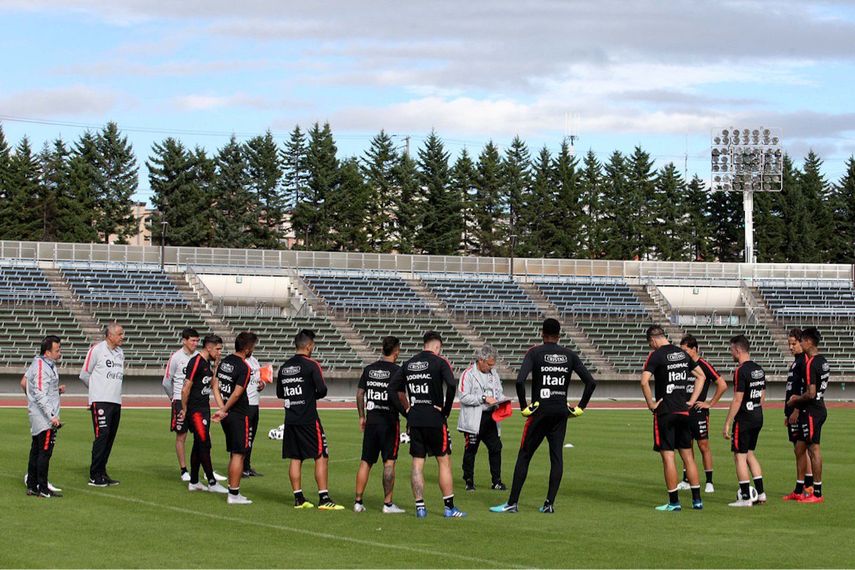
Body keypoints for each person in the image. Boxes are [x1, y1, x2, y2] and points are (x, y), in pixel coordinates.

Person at [491, 318, 596, 514]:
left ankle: (512, 503)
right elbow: (591, 383)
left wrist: (524, 407)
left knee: (525, 456)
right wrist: (580, 408)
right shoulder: (569, 355)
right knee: (556, 457)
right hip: (560, 412)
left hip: (539, 412)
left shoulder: (535, 352)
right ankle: (549, 504)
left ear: (542, 333)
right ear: (559, 335)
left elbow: (520, 381)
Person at [390, 331, 464, 518]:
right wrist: (446, 410)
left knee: (417, 463)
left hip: (415, 419)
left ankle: (420, 507)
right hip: (435, 418)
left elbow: (392, 388)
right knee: (443, 460)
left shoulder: (409, 364)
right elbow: (452, 385)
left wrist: (405, 411)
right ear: (437, 346)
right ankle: (449, 507)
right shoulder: (440, 362)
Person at [640, 325, 706, 512]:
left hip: (665, 412)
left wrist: (651, 404)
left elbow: (644, 381)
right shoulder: (682, 353)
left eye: (650, 344)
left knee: (668, 457)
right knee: (688, 457)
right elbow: (700, 376)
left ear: (653, 340)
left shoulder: (656, 355)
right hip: (684, 411)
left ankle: (674, 502)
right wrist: (692, 400)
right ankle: (697, 500)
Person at [277, 329, 344, 511]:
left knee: (295, 457)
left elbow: (280, 393)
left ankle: (298, 498)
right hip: (308, 418)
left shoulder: (284, 367)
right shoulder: (311, 365)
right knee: (321, 455)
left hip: (291, 418)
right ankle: (324, 498)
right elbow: (322, 390)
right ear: (309, 346)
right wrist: (308, 394)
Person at [353, 336, 405, 514]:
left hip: (372, 421)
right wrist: (408, 414)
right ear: (396, 351)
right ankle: (387, 504)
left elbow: (360, 394)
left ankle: (358, 502)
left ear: (383, 349)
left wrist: (362, 416)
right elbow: (400, 396)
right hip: (389, 422)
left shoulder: (370, 369)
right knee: (389, 462)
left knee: (365, 461)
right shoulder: (397, 371)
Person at [677, 335, 727, 493]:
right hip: (684, 411)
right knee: (686, 445)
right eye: (681, 350)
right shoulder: (683, 365)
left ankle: (709, 481)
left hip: (699, 412)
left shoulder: (703, 365)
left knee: (703, 445)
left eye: (685, 350)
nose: (683, 353)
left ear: (694, 349)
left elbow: (722, 384)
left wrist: (710, 403)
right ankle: (686, 480)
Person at [212, 331, 257, 505]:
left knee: (234, 453)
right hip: (238, 414)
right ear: (247, 348)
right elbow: (237, 394)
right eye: (252, 347)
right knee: (239, 454)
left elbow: (215, 385)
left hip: (228, 414)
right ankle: (234, 494)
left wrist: (221, 408)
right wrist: (224, 408)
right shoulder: (244, 367)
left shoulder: (225, 362)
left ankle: (233, 491)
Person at [723, 335, 767, 507]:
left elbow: (737, 399)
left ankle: (746, 497)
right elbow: (763, 395)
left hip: (745, 418)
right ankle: (761, 493)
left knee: (739, 456)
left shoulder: (740, 371)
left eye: (731, 349)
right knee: (749, 453)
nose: (730, 353)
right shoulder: (759, 369)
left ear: (738, 350)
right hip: (757, 415)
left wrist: (728, 422)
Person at [181, 335, 228, 494]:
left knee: (199, 444)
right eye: (218, 349)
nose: (220, 352)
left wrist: (222, 408)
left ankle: (194, 481)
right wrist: (184, 409)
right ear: (209, 347)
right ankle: (212, 481)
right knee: (204, 443)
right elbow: (186, 387)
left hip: (204, 409)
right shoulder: (196, 362)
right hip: (195, 411)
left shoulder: (208, 363)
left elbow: (214, 385)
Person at [80, 323, 125, 487]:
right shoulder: (97, 350)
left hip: (116, 401)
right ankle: (94, 475)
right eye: (120, 334)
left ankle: (102, 472)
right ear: (110, 335)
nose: (122, 337)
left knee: (110, 438)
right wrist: (94, 394)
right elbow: (84, 375)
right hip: (100, 401)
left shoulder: (120, 352)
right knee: (102, 436)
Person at [787, 327, 828, 504]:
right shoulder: (823, 361)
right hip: (813, 408)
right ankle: (799, 489)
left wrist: (795, 400)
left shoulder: (811, 362)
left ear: (809, 341)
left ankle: (816, 492)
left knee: (814, 450)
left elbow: (811, 393)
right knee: (799, 448)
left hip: (812, 410)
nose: (800, 343)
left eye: (801, 340)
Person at [458, 344, 506, 492]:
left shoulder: (494, 374)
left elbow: (499, 391)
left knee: (496, 448)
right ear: (481, 360)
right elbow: (463, 397)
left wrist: (502, 400)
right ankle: (469, 480)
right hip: (474, 418)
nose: (491, 367)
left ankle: (496, 481)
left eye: (493, 364)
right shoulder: (467, 374)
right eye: (489, 364)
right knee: (471, 449)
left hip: (490, 417)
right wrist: (483, 398)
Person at [25, 336, 65, 498]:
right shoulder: (42, 366)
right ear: (47, 352)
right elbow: (40, 393)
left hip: (40, 415)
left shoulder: (44, 364)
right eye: (57, 350)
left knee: (36, 450)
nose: (60, 353)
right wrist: (52, 416)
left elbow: (40, 388)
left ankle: (33, 485)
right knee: (44, 452)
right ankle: (42, 487)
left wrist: (57, 390)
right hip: (44, 417)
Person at [162, 328, 199, 482]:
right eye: (192, 340)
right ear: (184, 340)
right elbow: (166, 382)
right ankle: (184, 470)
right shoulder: (176, 357)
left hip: (196, 401)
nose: (195, 344)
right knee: (181, 435)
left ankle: (204, 468)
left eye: (197, 341)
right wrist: (174, 398)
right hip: (179, 400)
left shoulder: (199, 357)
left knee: (203, 435)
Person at [782, 328, 814, 501]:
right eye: (789, 344)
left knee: (802, 449)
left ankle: (806, 487)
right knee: (798, 449)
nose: (791, 347)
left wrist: (795, 410)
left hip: (800, 412)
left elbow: (803, 389)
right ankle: (801, 487)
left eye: (794, 343)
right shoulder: (796, 362)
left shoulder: (804, 362)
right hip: (793, 413)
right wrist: (788, 413)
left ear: (802, 342)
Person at [242, 354, 265, 478]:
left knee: (250, 438)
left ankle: (246, 466)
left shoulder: (254, 360)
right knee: (244, 438)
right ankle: (240, 467)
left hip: (255, 403)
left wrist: (262, 384)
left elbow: (259, 378)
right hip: (246, 404)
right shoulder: (240, 362)